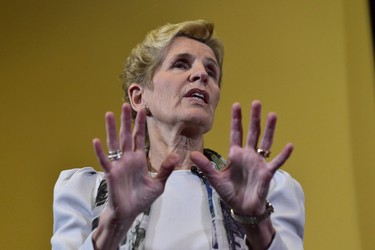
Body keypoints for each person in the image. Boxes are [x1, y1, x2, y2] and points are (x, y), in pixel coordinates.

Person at [51, 20, 305, 250]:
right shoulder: (84, 191)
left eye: (211, 71)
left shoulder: (265, 189)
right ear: (139, 97)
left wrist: (256, 222)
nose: (201, 74)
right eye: (181, 64)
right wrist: (112, 227)